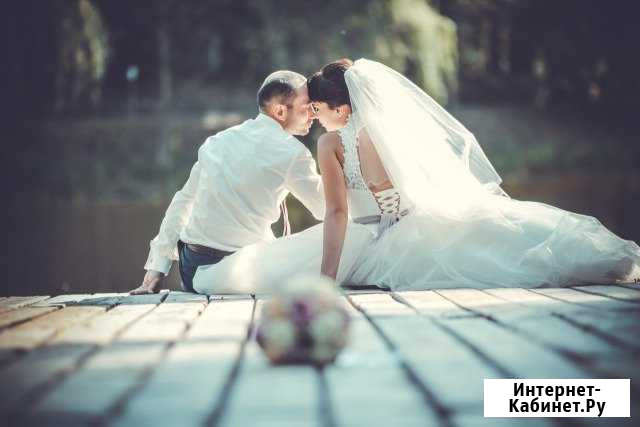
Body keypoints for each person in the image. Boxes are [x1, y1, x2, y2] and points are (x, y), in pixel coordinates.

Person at [191, 58, 640, 294]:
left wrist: (328, 278)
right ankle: (598, 258)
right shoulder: (386, 133)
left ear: (341, 109)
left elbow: (336, 213)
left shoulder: (331, 144)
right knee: (500, 242)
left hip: (369, 239)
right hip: (420, 225)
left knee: (269, 269)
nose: (315, 119)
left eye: (320, 110)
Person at [129, 70, 325, 295]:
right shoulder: (293, 153)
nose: (314, 114)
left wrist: (157, 267)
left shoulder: (217, 141)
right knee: (335, 240)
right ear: (280, 111)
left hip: (192, 270)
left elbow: (183, 201)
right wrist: (338, 162)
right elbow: (326, 209)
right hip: (243, 269)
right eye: (307, 107)